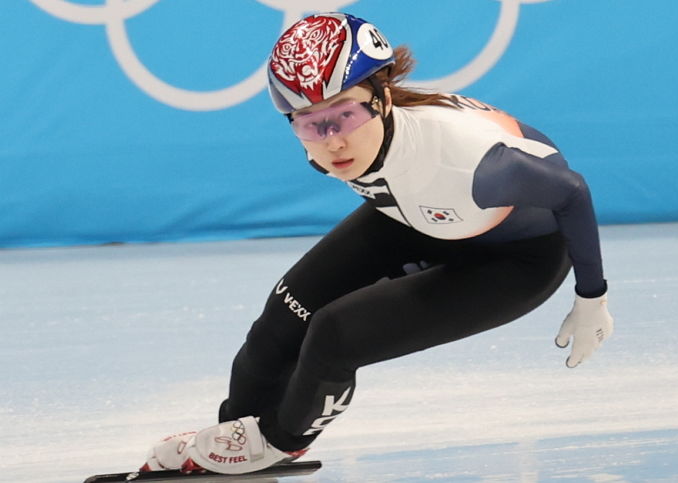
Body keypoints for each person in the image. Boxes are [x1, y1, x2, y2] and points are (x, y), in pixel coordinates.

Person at [140, 12, 614, 475]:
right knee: (281, 320)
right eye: (309, 124)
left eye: (343, 116)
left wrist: (591, 295)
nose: (331, 143)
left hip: (514, 261)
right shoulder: (346, 139)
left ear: (383, 100)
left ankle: (280, 445)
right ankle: (237, 436)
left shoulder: (469, 165)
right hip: (416, 216)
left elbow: (571, 191)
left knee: (334, 336)